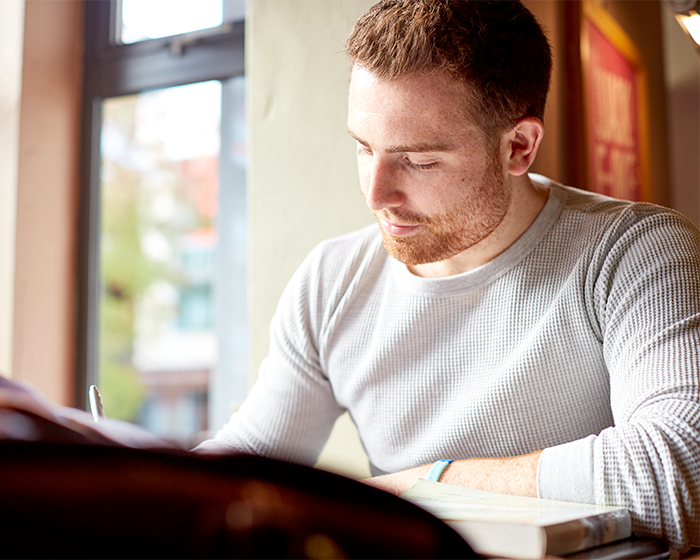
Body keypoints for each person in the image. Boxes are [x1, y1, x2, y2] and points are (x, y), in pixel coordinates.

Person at [198, 0, 700, 550]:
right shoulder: (332, 280)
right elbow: (242, 468)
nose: (375, 195)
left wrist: (422, 486)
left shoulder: (635, 252)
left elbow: (682, 470)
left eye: (419, 160)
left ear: (518, 147)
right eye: (364, 148)